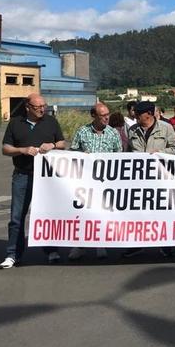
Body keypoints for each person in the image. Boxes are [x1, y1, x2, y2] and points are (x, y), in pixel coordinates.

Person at [0, 93, 65, 269]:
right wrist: (22, 150)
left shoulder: (50, 122)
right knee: (17, 216)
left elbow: (62, 143)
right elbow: (5, 149)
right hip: (22, 175)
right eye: (38, 107)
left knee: (47, 214)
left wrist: (52, 145)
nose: (42, 109)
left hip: (47, 178)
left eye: (44, 106)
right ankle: (13, 254)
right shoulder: (15, 123)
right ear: (28, 107)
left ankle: (51, 250)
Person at [68, 103, 122, 261]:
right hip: (85, 181)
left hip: (105, 181)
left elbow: (119, 156)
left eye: (108, 114)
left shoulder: (113, 133)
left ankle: (101, 243)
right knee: (83, 213)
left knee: (102, 212)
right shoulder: (82, 131)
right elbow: (72, 153)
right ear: (94, 116)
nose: (106, 117)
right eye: (102, 115)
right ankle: (80, 245)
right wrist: (80, 155)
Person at [124, 101, 175, 259]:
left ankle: (165, 244)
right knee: (138, 212)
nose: (135, 116)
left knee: (162, 212)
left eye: (138, 114)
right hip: (139, 179)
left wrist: (159, 153)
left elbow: (174, 148)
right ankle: (137, 244)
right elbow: (127, 152)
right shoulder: (133, 130)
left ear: (148, 114)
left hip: (161, 178)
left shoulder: (166, 128)